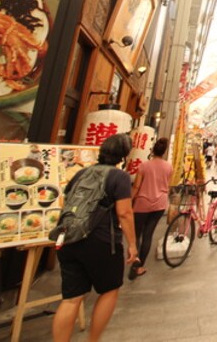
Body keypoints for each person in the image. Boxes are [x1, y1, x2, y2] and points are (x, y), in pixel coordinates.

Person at [52, 134, 138, 342]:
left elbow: (67, 202)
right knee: (109, 290)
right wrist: (132, 245)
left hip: (69, 238)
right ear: (124, 156)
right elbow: (124, 213)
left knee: (71, 299)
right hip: (101, 241)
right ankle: (93, 339)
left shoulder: (81, 173)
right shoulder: (120, 177)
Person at [129, 137, 172, 280]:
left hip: (142, 203)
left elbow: (136, 186)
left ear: (152, 150)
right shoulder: (168, 166)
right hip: (159, 204)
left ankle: (134, 261)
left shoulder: (144, 166)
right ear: (164, 152)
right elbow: (168, 185)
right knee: (148, 235)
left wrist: (129, 201)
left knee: (136, 235)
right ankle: (139, 266)